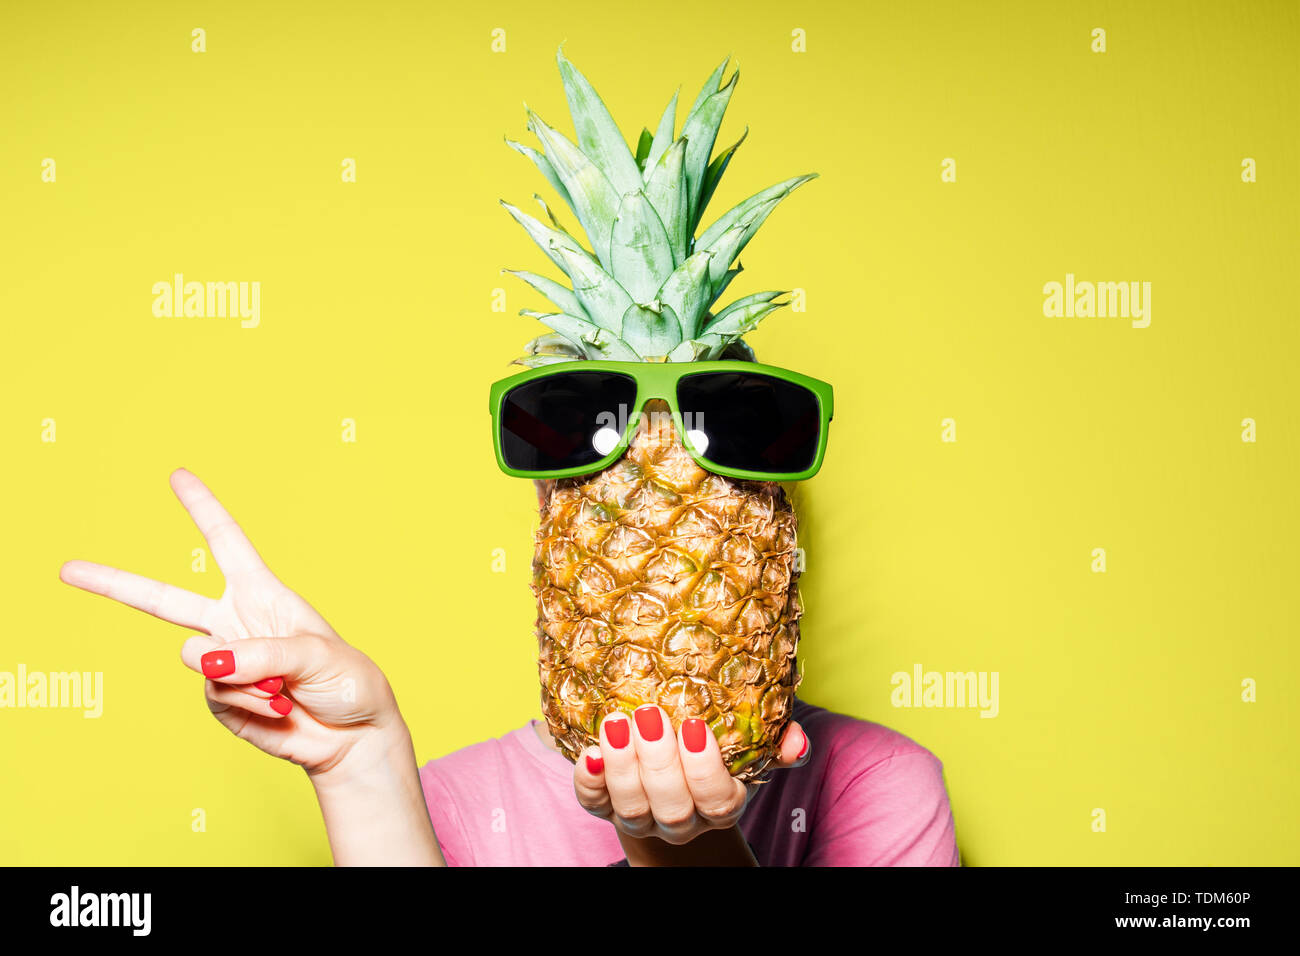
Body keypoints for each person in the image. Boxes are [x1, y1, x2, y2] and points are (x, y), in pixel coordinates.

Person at [59, 468, 959, 866]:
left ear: (774, 519)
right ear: (551, 518)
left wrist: (682, 858)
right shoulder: (443, 804)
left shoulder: (881, 786)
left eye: (736, 431)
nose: (654, 494)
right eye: (583, 431)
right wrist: (362, 766)